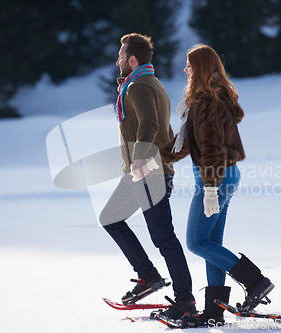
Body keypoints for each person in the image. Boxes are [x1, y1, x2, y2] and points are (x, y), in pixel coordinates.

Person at [160, 44, 274, 327]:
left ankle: (256, 281)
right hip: (223, 176)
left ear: (198, 68)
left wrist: (210, 188)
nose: (185, 70)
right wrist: (153, 162)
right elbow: (187, 142)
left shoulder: (208, 102)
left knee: (196, 242)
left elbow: (211, 148)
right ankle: (214, 312)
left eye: (189, 65)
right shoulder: (204, 100)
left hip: (216, 177)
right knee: (211, 243)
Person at [100, 33, 196, 320]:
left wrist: (141, 159)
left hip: (147, 172)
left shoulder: (139, 87)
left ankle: (185, 301)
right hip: (141, 173)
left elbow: (151, 124)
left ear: (133, 59)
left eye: (121, 56)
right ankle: (148, 276)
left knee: (164, 239)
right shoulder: (147, 82)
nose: (117, 62)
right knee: (110, 218)